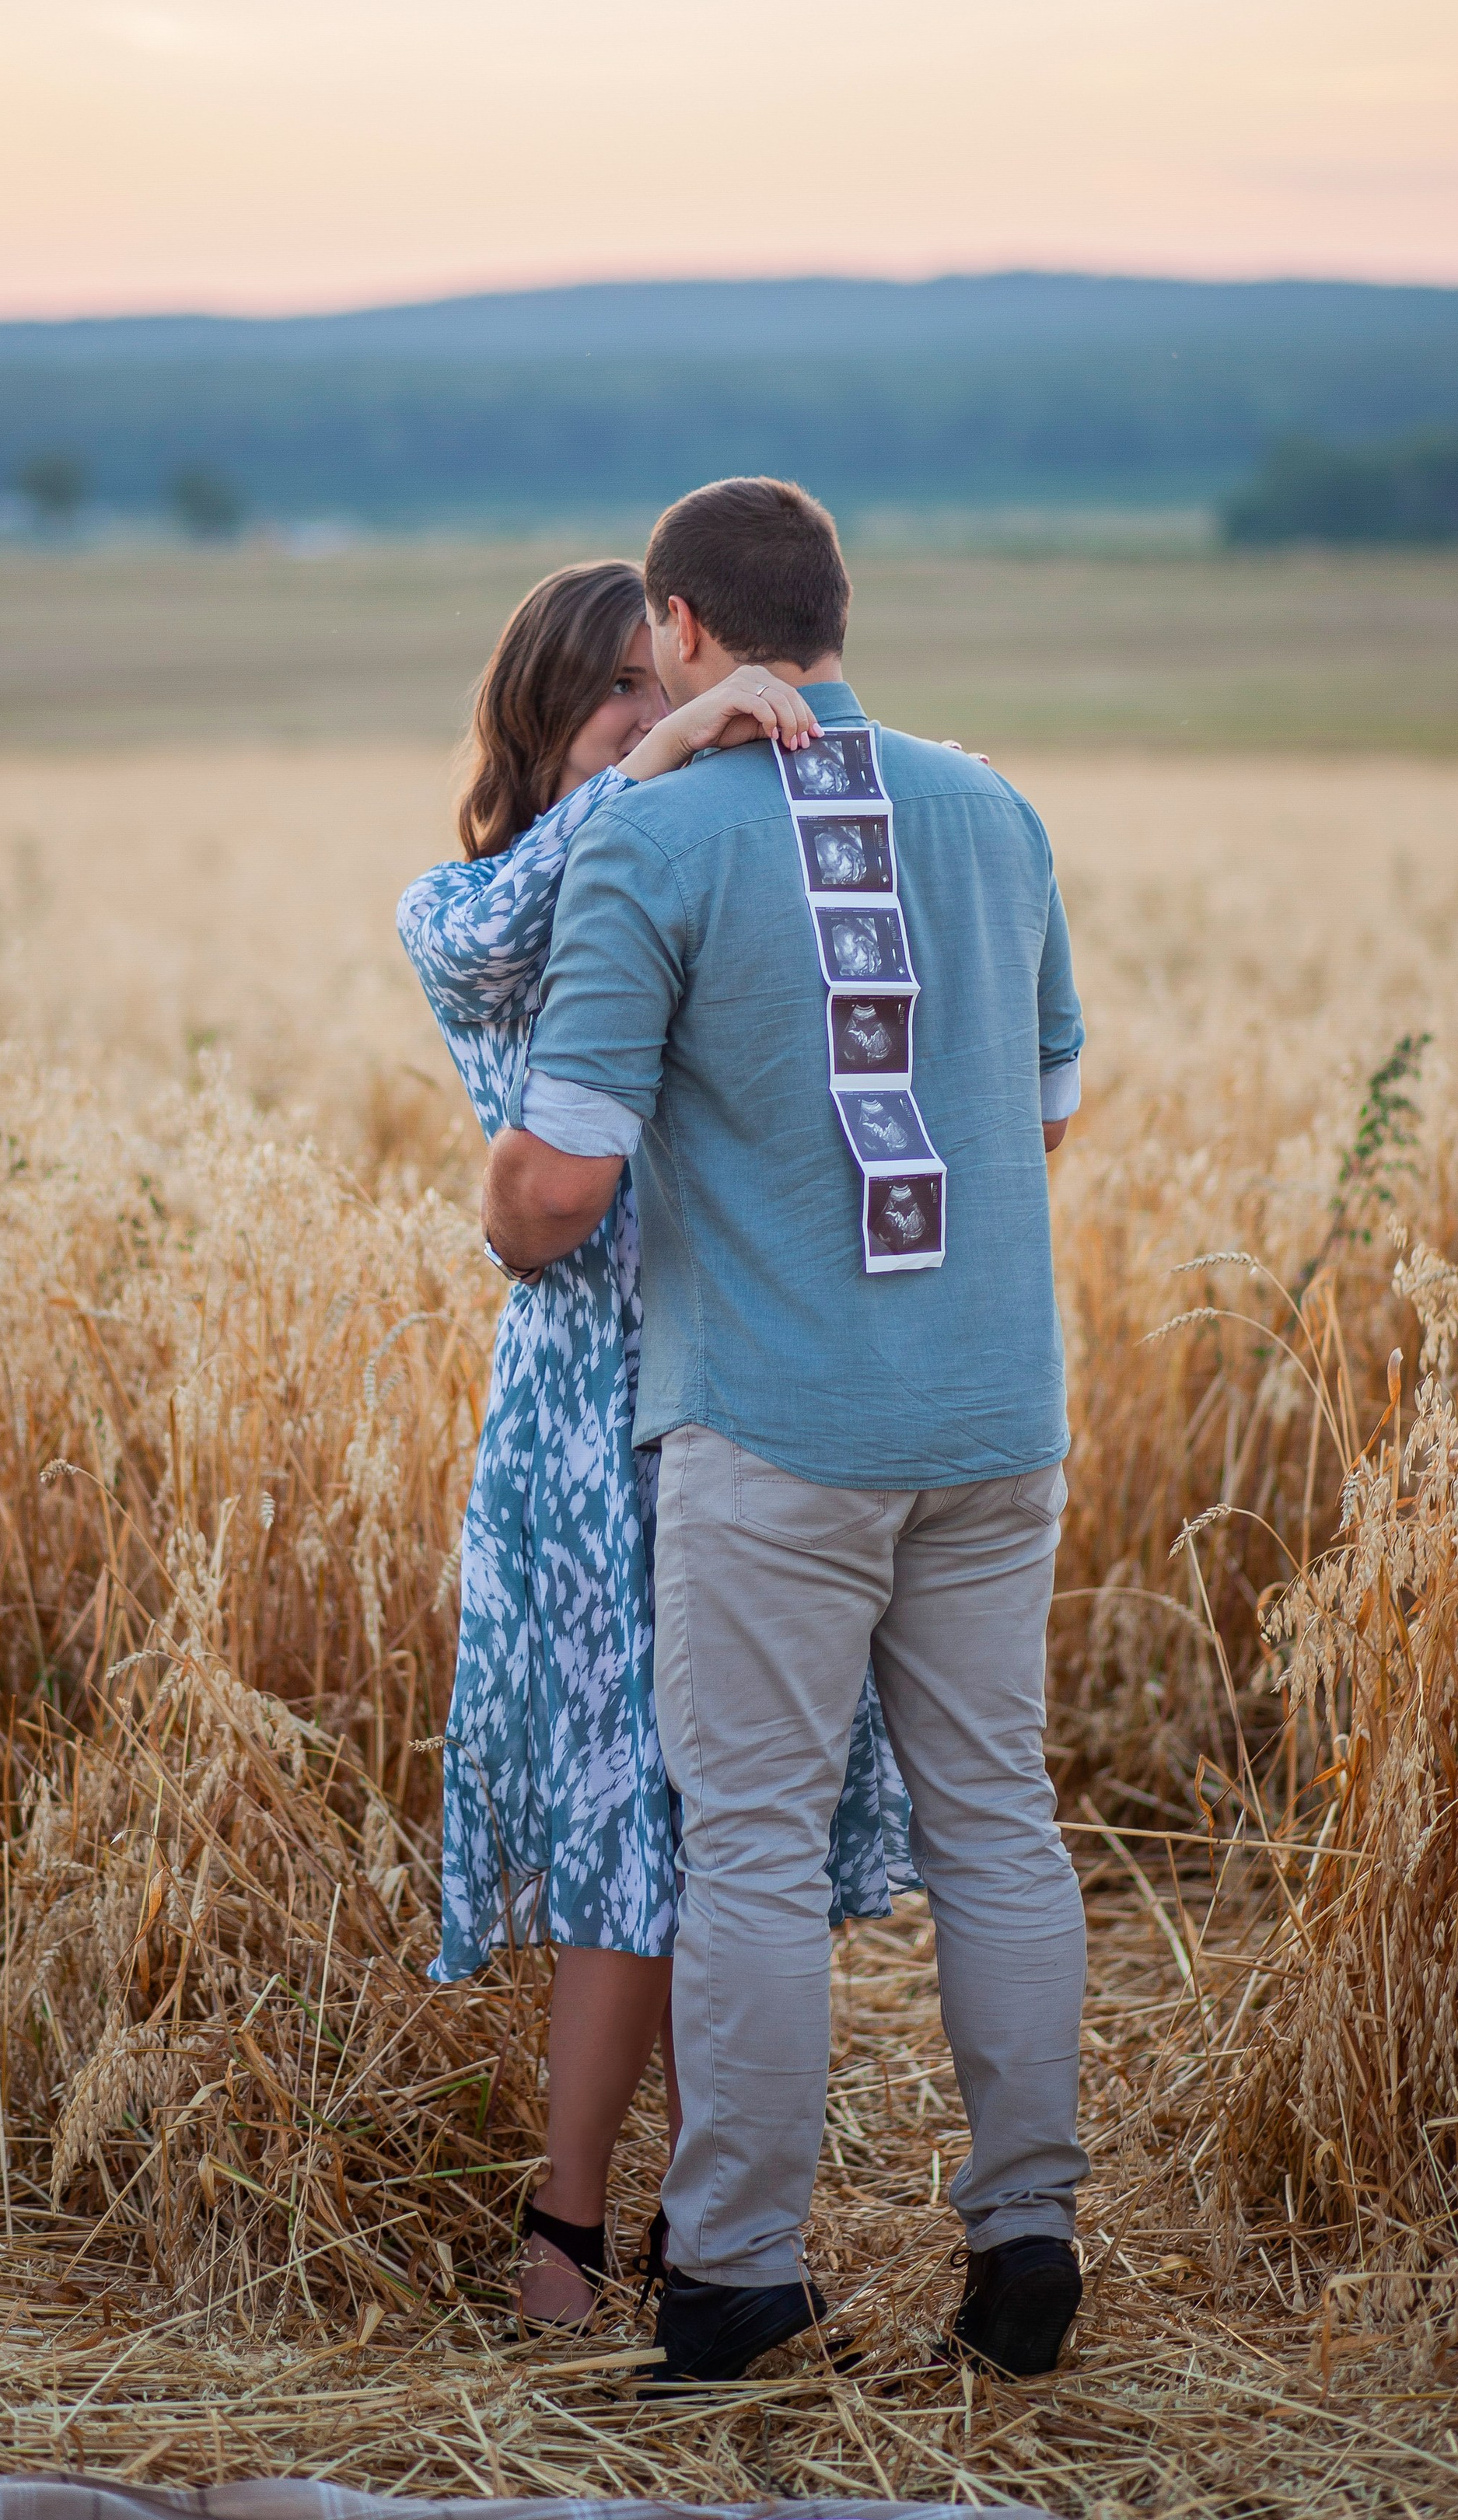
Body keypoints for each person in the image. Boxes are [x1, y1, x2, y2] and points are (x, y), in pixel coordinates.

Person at [483, 480, 1090, 2389]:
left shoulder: (653, 839)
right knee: (998, 1822)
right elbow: (1046, 1103)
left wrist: (504, 1203)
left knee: (742, 1847)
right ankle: (1024, 2235)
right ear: (832, 613)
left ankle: (735, 2273)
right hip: (993, 1414)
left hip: (771, 1424)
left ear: (673, 626)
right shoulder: (993, 810)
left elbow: (555, 1191)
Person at [397, 557, 916, 2330]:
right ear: (543, 720)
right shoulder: (480, 902)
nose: (649, 715)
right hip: (581, 1415)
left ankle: (723, 2240)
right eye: (612, 692)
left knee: (737, 1831)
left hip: (751, 1382)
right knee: (629, 1830)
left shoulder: (699, 858)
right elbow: (478, 942)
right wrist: (668, 746)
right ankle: (567, 2231)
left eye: (660, 678)